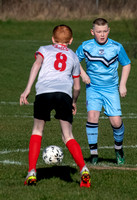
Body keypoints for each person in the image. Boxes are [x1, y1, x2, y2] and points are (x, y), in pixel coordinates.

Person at [20, 25, 91, 187]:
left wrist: (27, 89)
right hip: (64, 95)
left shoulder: (44, 49)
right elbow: (77, 87)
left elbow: (37, 65)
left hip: (44, 92)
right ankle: (84, 170)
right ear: (71, 41)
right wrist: (73, 101)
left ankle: (32, 172)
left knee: (37, 130)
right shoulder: (73, 57)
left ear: (52, 39)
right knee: (68, 136)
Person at [76, 18, 131, 165]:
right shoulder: (86, 46)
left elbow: (126, 64)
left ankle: (118, 149)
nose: (102, 34)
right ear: (92, 32)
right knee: (92, 116)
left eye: (104, 31)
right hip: (93, 88)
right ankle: (94, 154)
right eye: (99, 32)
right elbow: (74, 60)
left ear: (109, 31)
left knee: (116, 122)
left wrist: (122, 84)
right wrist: (83, 74)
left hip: (111, 89)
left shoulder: (116, 47)